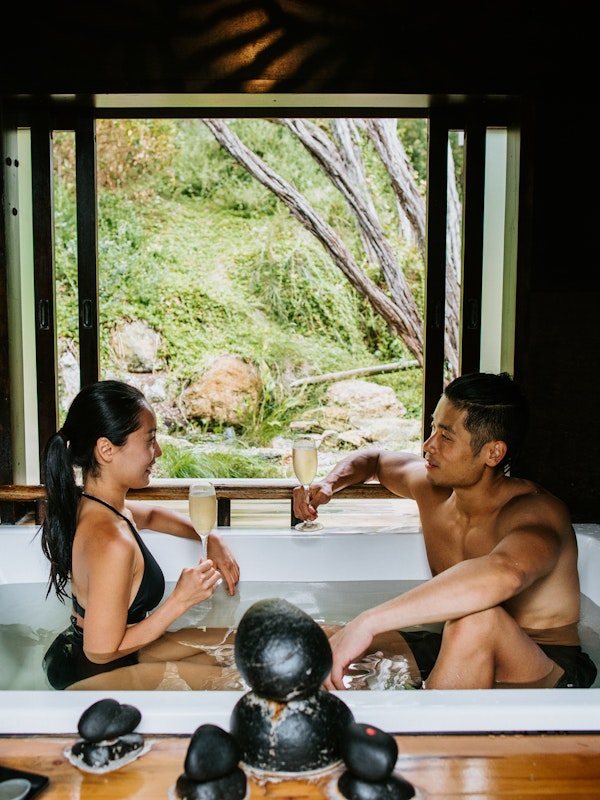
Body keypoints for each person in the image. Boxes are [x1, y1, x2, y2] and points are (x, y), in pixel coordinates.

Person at [293, 371, 597, 691]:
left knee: (475, 619)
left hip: (544, 667)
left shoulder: (535, 512)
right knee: (310, 637)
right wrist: (329, 483)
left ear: (493, 453)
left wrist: (368, 621)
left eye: (446, 437)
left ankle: (421, 738)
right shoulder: (431, 489)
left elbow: (504, 573)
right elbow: (375, 460)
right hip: (453, 641)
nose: (427, 446)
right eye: (432, 428)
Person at [41, 379, 240, 689]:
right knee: (232, 677)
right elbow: (100, 651)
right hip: (105, 673)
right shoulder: (111, 542)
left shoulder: (94, 505)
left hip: (104, 648)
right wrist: (180, 601)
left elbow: (152, 515)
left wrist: (209, 537)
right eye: (150, 440)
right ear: (106, 449)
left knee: (237, 643)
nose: (157, 451)